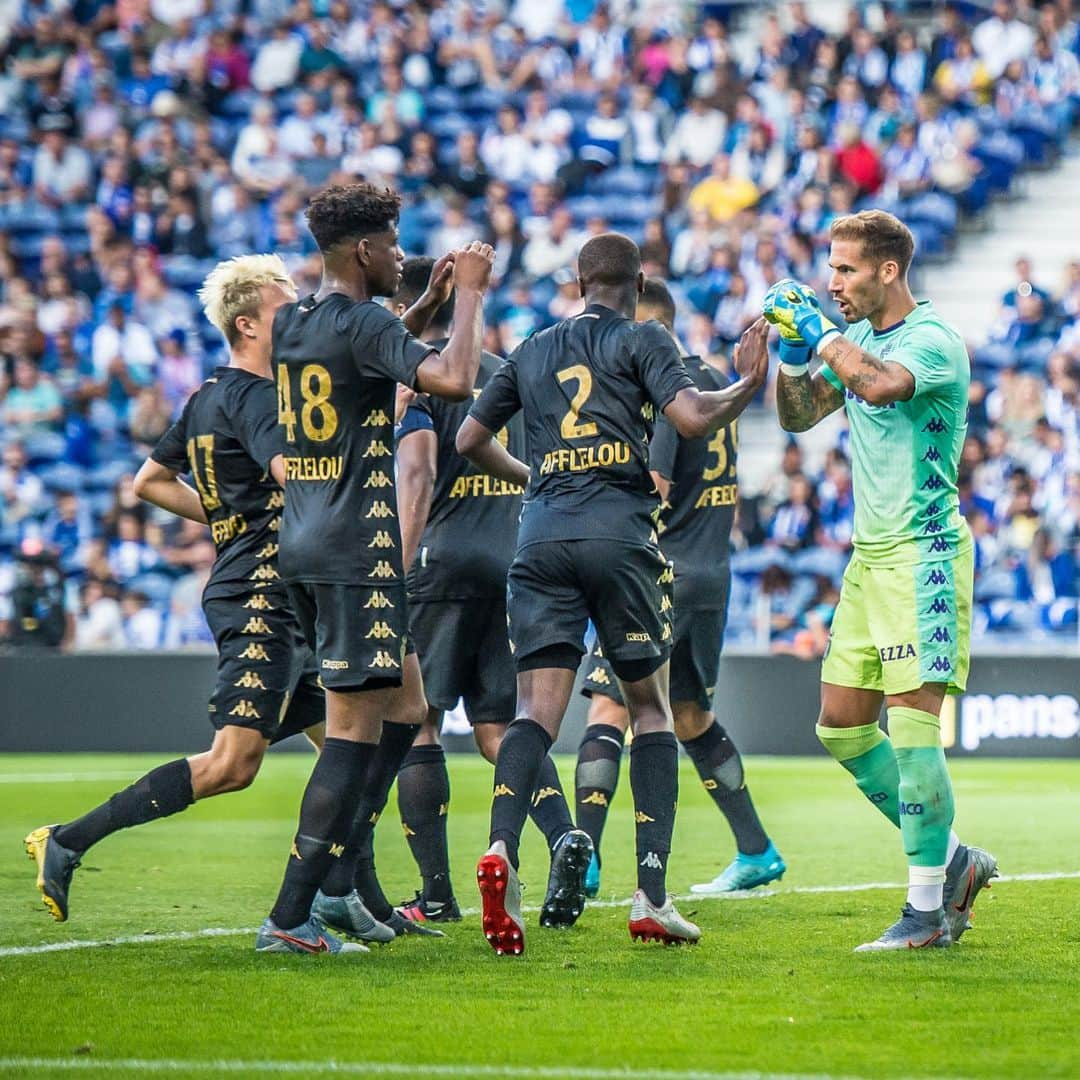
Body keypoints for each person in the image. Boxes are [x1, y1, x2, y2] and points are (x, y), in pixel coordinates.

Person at [457, 233, 771, 955]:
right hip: (621, 539)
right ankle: (650, 897)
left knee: (534, 712)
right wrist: (748, 384)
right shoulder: (644, 337)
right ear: (636, 283)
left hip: (540, 541)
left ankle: (502, 850)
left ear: (577, 282)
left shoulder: (533, 347)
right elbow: (692, 418)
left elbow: (470, 437)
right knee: (651, 711)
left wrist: (530, 477)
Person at [24, 255, 329, 926]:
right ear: (246, 324)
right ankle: (67, 840)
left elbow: (148, 482)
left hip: (268, 589)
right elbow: (297, 474)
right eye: (288, 311)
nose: (302, 320)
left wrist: (226, 519)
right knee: (233, 765)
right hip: (261, 596)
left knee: (346, 754)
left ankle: (345, 902)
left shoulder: (206, 396)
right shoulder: (256, 397)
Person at [257, 183, 495, 955]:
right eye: (393, 243)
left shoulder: (295, 321)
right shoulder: (363, 323)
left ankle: (342, 880)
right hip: (356, 548)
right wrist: (468, 300)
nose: (400, 254)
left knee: (408, 703)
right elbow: (455, 380)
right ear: (363, 251)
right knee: (355, 725)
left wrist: (423, 303)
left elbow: (369, 347)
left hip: (305, 538)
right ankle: (295, 913)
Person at [762, 209, 997, 951]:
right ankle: (954, 856)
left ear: (888, 270)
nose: (834, 283)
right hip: (870, 560)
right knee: (839, 725)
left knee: (913, 729)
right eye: (830, 270)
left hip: (924, 556)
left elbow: (881, 387)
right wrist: (797, 354)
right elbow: (801, 417)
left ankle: (928, 912)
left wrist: (823, 336)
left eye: (847, 270)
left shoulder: (932, 341)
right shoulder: (852, 338)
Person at [574, 278, 785, 898]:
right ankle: (756, 848)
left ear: (644, 328)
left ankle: (580, 857)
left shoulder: (660, 387)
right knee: (691, 716)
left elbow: (656, 485)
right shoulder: (714, 378)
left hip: (657, 575)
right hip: (710, 572)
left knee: (609, 708)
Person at [391, 258, 578, 929]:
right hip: (512, 560)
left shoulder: (422, 377)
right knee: (503, 727)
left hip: (439, 564)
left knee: (418, 722)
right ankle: (563, 839)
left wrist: (398, 564)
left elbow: (416, 478)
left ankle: (436, 892)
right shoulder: (511, 370)